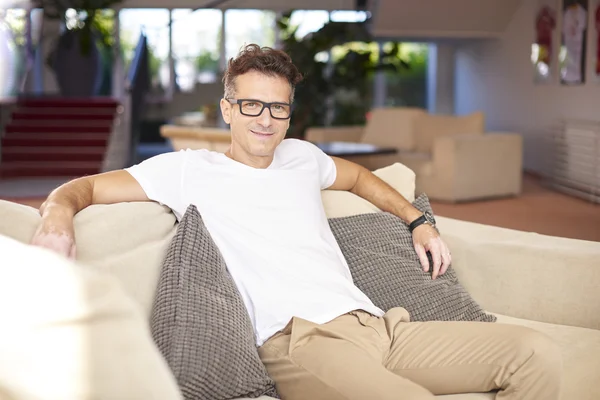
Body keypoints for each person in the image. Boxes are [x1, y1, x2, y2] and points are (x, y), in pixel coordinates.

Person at [31, 44, 562, 400]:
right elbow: (86, 188)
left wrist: (418, 220)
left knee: (533, 353)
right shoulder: (187, 170)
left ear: (290, 112)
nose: (266, 119)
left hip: (381, 325)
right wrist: (56, 214)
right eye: (253, 105)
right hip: (300, 340)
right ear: (227, 108)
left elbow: (358, 178)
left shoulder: (303, 158)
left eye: (278, 108)